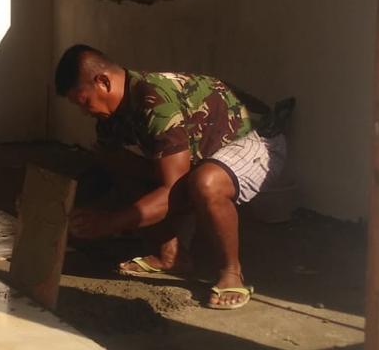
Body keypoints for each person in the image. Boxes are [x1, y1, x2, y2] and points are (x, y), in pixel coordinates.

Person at [54, 45, 288, 311]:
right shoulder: (110, 117)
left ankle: (231, 272)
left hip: (258, 139)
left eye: (84, 101)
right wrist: (61, 207)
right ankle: (172, 255)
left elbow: (173, 192)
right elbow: (105, 170)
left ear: (103, 82)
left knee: (205, 183)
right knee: (119, 163)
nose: (85, 111)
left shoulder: (154, 100)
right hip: (208, 151)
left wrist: (109, 222)